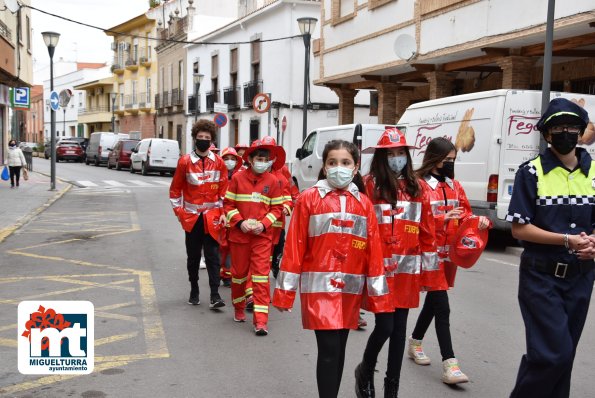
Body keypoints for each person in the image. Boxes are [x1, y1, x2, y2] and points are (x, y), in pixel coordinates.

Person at [273, 139, 390, 398]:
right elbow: (294, 247)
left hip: (349, 290)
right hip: (318, 290)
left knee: (339, 351)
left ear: (356, 167)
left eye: (345, 163)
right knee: (328, 352)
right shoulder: (308, 199)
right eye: (333, 163)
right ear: (324, 168)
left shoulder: (364, 205)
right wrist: (285, 292)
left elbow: (374, 253)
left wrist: (378, 297)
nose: (339, 168)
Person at [507, 97, 595, 398]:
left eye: (572, 126)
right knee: (552, 355)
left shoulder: (594, 172)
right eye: (558, 127)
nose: (566, 132)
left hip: (582, 277)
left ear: (581, 132)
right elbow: (520, 228)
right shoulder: (530, 172)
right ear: (546, 134)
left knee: (564, 357)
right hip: (540, 277)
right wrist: (567, 240)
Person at [355, 128, 437, 398]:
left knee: (399, 331)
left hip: (406, 271)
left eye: (401, 153)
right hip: (379, 270)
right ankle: (366, 369)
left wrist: (430, 276)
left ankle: (392, 390)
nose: (397, 158)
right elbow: (361, 228)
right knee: (385, 326)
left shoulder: (418, 187)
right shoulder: (369, 185)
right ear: (381, 157)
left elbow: (427, 232)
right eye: (391, 154)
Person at [406, 137, 490, 385]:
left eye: (453, 160)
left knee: (434, 301)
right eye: (447, 160)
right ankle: (450, 364)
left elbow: (465, 214)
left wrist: (481, 222)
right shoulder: (418, 186)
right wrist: (441, 218)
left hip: (449, 256)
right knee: (442, 306)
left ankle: (415, 343)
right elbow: (413, 221)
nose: (451, 164)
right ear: (434, 159)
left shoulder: (455, 186)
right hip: (429, 254)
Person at [223, 139, 285, 336]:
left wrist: (263, 224)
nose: (263, 162)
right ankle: (239, 309)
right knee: (239, 276)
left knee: (260, 277)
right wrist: (240, 223)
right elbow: (228, 205)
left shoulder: (273, 181)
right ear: (250, 159)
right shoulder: (237, 179)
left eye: (265, 159)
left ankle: (261, 322)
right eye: (259, 158)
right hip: (239, 236)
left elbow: (277, 209)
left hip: (261, 237)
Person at [169, 119, 227, 309]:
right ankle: (194, 288)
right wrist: (180, 213)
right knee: (193, 257)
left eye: (207, 138)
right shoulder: (184, 162)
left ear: (212, 141)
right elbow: (175, 191)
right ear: (195, 139)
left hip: (213, 218)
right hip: (192, 219)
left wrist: (223, 213)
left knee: (213, 256)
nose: (203, 140)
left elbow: (223, 191)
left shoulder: (219, 163)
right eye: (200, 137)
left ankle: (215, 294)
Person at [219, 147, 244, 288]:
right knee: (220, 247)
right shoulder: (217, 176)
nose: (229, 162)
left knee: (232, 249)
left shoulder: (239, 177)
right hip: (219, 217)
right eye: (226, 158)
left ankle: (228, 275)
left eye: (232, 159)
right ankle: (219, 272)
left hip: (234, 219)